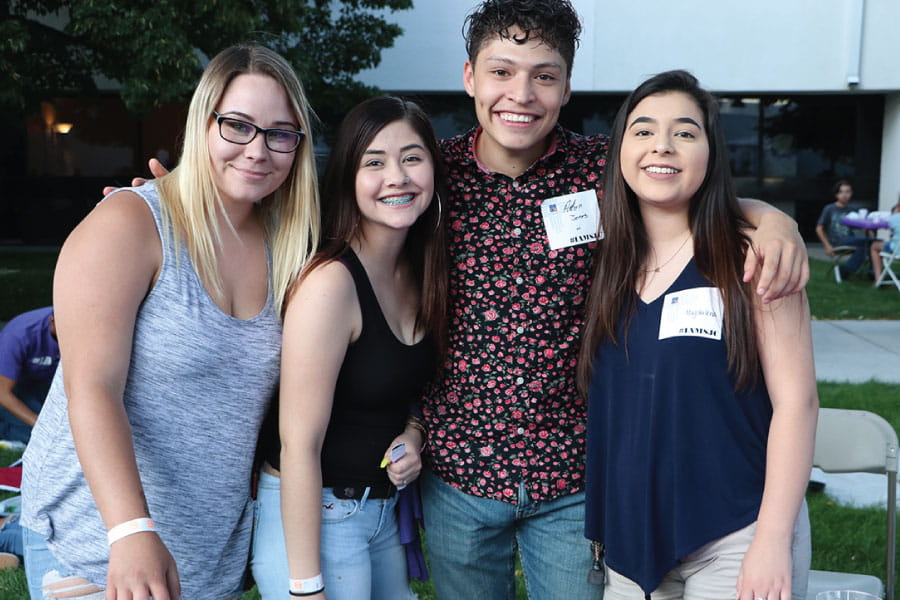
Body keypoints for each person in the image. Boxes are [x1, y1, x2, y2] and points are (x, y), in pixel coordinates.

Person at [418, 2, 810, 599]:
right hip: (459, 473)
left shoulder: (601, 169)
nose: (520, 94)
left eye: (543, 76)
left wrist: (772, 219)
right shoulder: (430, 180)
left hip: (574, 482)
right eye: (501, 72)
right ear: (470, 76)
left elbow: (683, 183)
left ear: (567, 87)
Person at [20, 43, 319, 600]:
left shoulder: (292, 246)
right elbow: (92, 388)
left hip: (206, 556)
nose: (258, 150)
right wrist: (130, 531)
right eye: (237, 126)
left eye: (281, 133)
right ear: (201, 123)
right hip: (100, 543)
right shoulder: (131, 223)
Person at [580, 70, 818, 600]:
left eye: (685, 132)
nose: (661, 145)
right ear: (620, 149)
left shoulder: (752, 258)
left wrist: (772, 541)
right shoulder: (602, 262)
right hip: (632, 546)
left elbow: (797, 404)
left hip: (737, 535)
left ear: (711, 152)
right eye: (642, 131)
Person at [250, 96, 446, 600]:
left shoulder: (419, 271)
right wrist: (304, 584)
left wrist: (413, 434)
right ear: (348, 178)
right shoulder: (331, 283)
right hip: (317, 516)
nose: (397, 177)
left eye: (412, 157)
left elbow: (401, 388)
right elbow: (297, 444)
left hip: (377, 512)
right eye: (374, 162)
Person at [0, 307, 58, 443]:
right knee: (45, 436)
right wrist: (40, 425)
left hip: (44, 380)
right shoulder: (18, 336)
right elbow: (2, 393)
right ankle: (4, 429)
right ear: (52, 321)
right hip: (13, 386)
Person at [815, 179, 870, 279]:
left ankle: (848, 270)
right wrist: (827, 246)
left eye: (847, 192)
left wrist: (868, 228)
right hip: (837, 242)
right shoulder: (829, 209)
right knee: (870, 243)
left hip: (851, 240)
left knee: (866, 247)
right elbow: (819, 228)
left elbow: (860, 226)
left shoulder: (852, 210)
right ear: (836, 194)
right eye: (841, 192)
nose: (844, 195)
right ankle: (847, 270)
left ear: (851, 193)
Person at [870, 201, 900, 282]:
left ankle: (878, 279)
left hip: (897, 251)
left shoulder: (894, 218)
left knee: (875, 246)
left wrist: (895, 212)